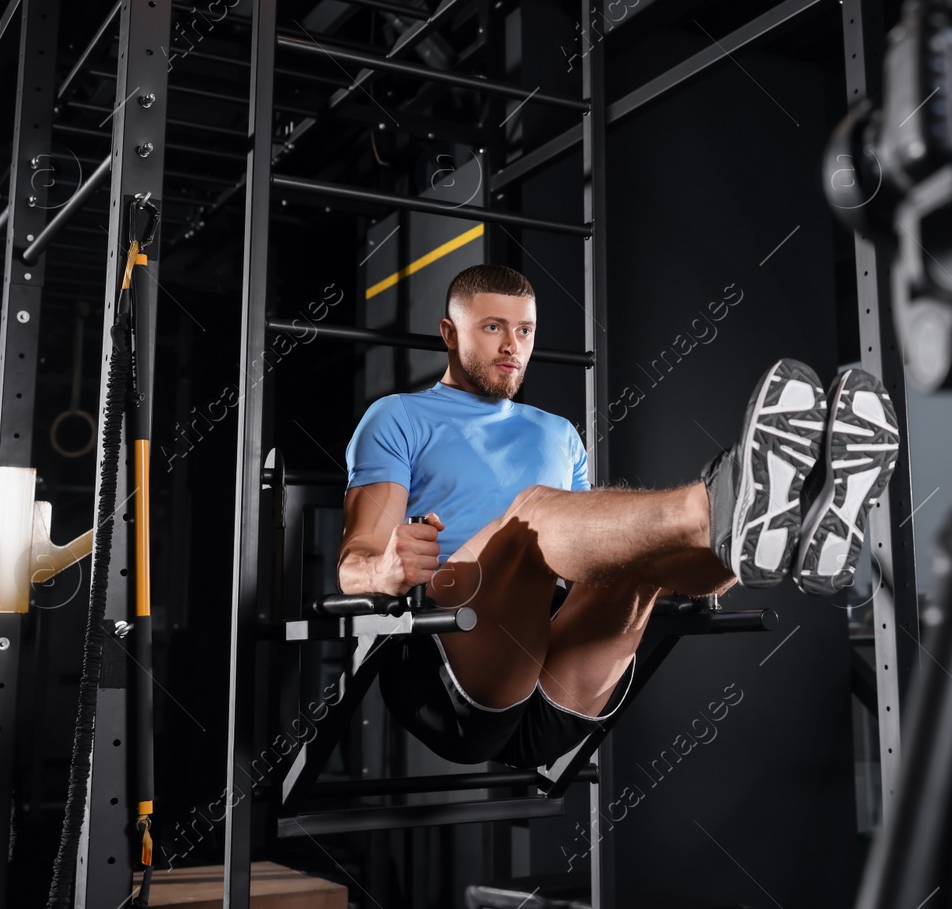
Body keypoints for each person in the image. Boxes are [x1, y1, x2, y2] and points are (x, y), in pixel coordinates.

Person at [339, 264, 901, 768]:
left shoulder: (557, 432)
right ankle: (731, 500)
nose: (513, 346)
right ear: (449, 333)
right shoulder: (399, 418)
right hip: (451, 678)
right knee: (531, 518)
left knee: (637, 562)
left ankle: (783, 519)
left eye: (525, 330)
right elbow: (353, 564)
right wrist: (383, 571)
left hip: (558, 703)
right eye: (493, 328)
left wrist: (669, 560)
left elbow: (590, 548)